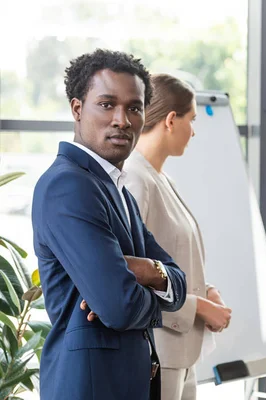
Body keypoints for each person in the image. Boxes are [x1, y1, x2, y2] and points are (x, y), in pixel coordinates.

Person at [31, 49, 187, 400]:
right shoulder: (68, 185)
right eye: (106, 104)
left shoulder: (115, 188)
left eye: (134, 107)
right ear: (77, 109)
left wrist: (146, 270)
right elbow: (118, 306)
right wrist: (142, 292)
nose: (122, 120)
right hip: (89, 388)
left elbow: (178, 283)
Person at [124, 73, 232, 400]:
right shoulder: (135, 180)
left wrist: (208, 291)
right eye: (191, 120)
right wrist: (199, 306)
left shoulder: (161, 179)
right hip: (158, 350)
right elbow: (130, 273)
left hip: (181, 351)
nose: (194, 130)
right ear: (171, 120)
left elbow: (174, 255)